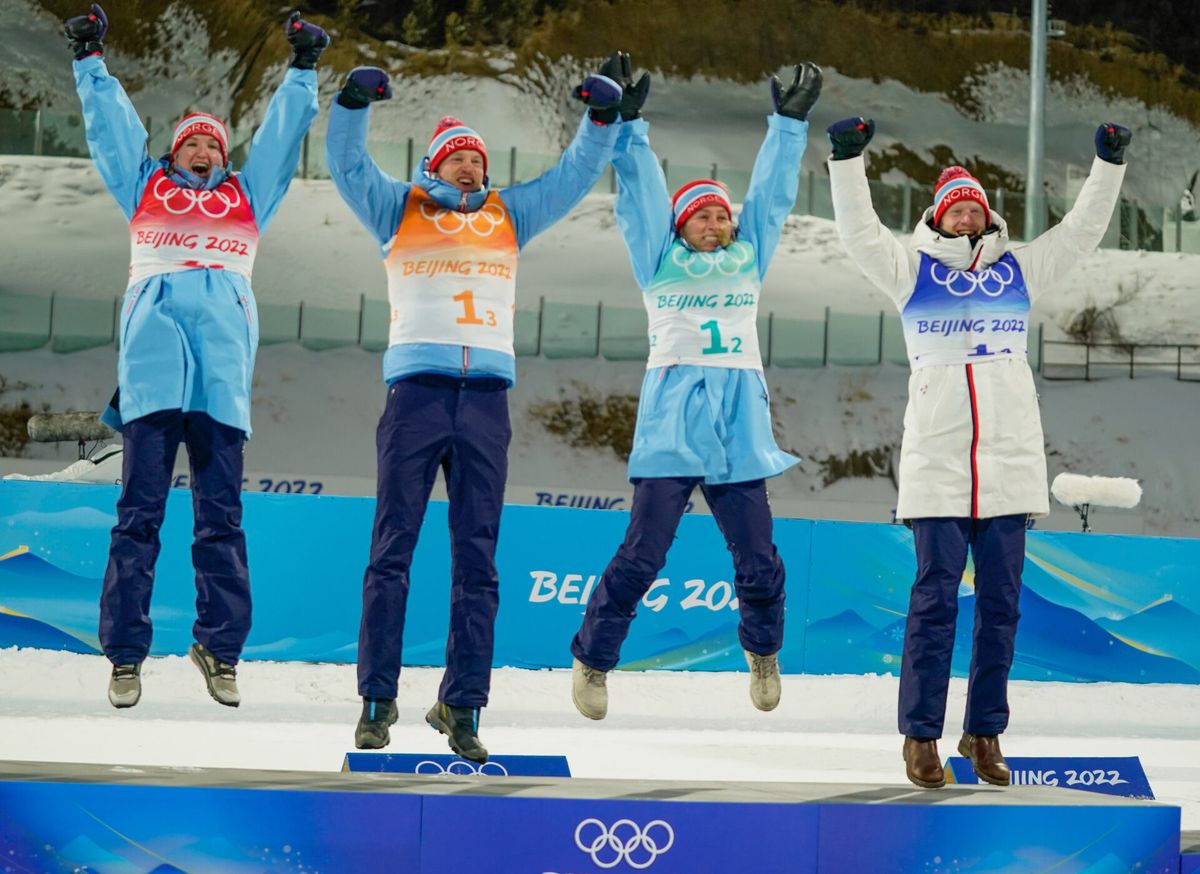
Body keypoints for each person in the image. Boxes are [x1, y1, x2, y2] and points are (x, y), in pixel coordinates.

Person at [326, 62, 623, 761]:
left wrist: (600, 120)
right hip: (418, 396)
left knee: (478, 561)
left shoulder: (508, 213)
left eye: (477, 159)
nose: (469, 166)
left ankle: (461, 704)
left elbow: (573, 177)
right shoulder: (397, 206)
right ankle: (377, 697)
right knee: (392, 550)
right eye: (458, 157)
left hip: (486, 402)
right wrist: (351, 104)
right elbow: (346, 162)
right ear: (433, 164)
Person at [826, 116, 1131, 788]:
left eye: (975, 206)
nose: (966, 214)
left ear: (987, 217)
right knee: (933, 605)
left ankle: (984, 732)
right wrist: (847, 160)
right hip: (936, 469)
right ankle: (920, 739)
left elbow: (1080, 232)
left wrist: (1107, 164)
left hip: (1010, 468)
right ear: (937, 217)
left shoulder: (1018, 270)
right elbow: (857, 232)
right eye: (955, 207)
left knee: (1002, 607)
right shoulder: (910, 272)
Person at [65, 4, 327, 709]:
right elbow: (114, 132)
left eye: (212, 143)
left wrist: (303, 70)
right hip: (152, 382)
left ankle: (219, 646)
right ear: (174, 152)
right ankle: (125, 654)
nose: (203, 151)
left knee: (222, 521)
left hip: (220, 391)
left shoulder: (248, 196)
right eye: (191, 144)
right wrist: (90, 61)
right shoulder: (144, 185)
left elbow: (278, 142)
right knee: (138, 520)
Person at [569, 56, 822, 720]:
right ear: (680, 227)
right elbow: (641, 193)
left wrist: (788, 125)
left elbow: (770, 197)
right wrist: (630, 124)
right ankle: (594, 659)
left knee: (760, 561)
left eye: (721, 217)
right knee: (643, 554)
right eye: (702, 218)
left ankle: (763, 651)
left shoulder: (749, 255)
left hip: (739, 427)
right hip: (674, 424)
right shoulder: (658, 257)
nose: (717, 224)